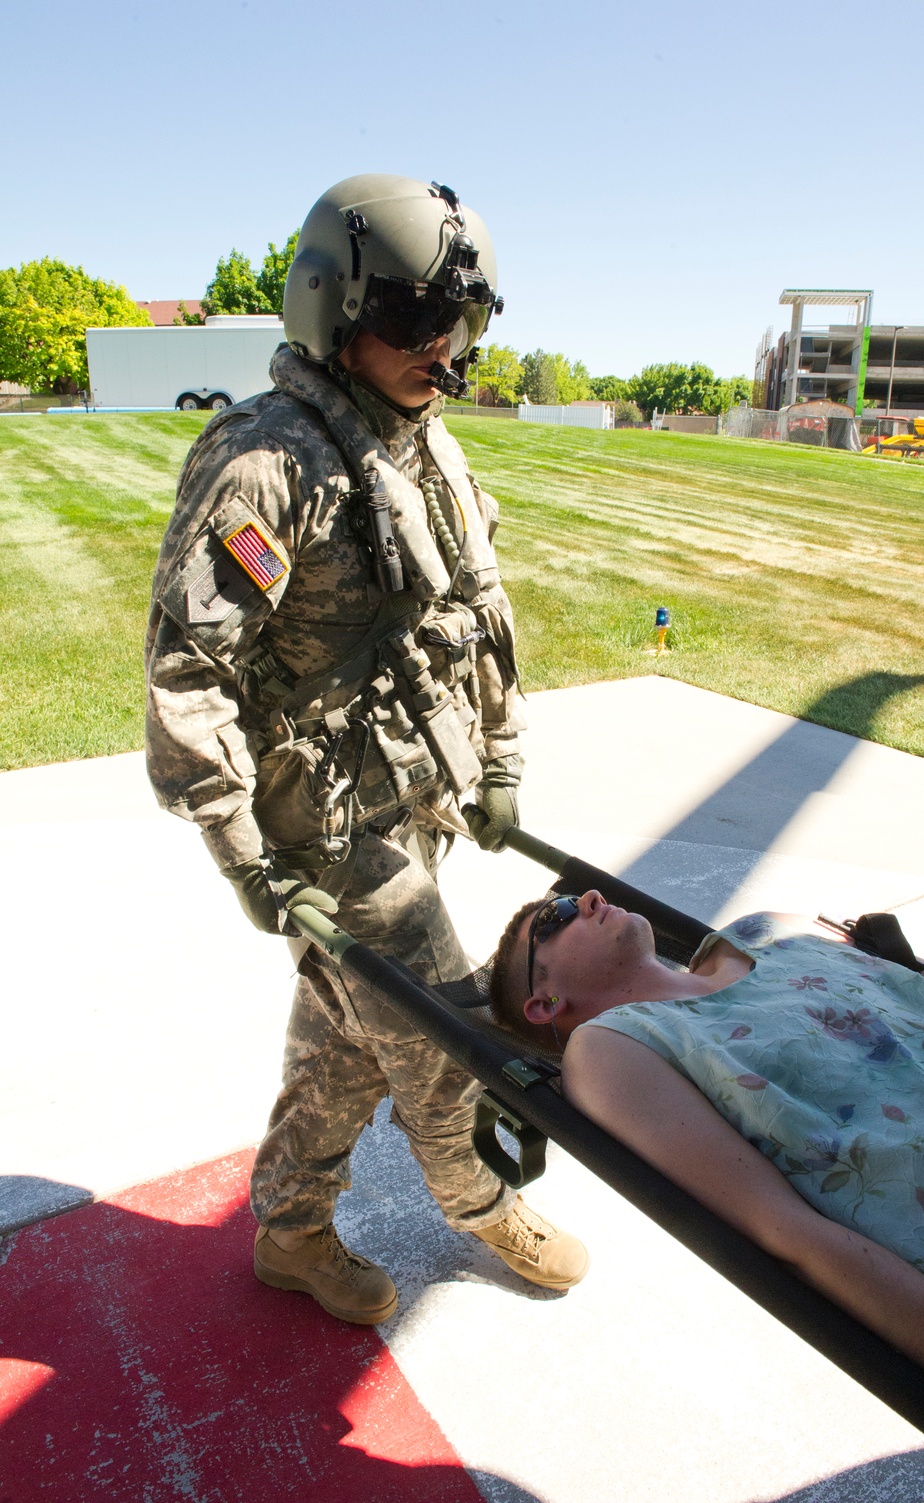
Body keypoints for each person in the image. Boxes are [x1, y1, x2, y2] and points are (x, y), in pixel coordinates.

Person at [145, 174, 588, 1325]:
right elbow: (190, 675)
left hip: (419, 793)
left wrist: (498, 757)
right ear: (330, 309)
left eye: (460, 325)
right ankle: (477, 1198)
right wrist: (247, 857)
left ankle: (289, 1229)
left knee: (348, 1036)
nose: (439, 350)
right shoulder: (265, 465)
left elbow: (478, 619)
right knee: (443, 1026)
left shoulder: (429, 449)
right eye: (407, 321)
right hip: (325, 825)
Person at [490, 889, 924, 1410]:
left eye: (574, 897)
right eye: (557, 917)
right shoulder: (613, 1050)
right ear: (545, 1003)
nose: (590, 899)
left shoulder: (766, 929)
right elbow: (789, 1233)